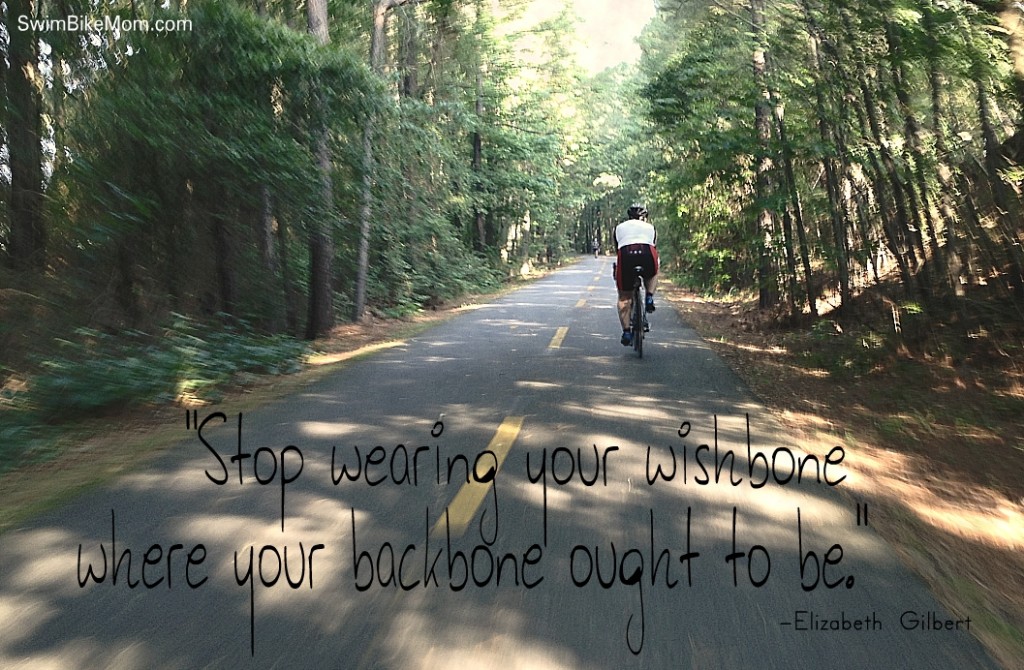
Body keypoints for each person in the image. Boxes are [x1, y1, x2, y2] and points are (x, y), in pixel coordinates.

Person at [613, 203, 658, 346]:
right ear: (644, 217)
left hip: (626, 254)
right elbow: (654, 245)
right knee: (653, 272)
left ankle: (626, 331)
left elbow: (617, 248)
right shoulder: (650, 227)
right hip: (647, 252)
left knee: (624, 297)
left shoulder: (619, 227)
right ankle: (649, 296)